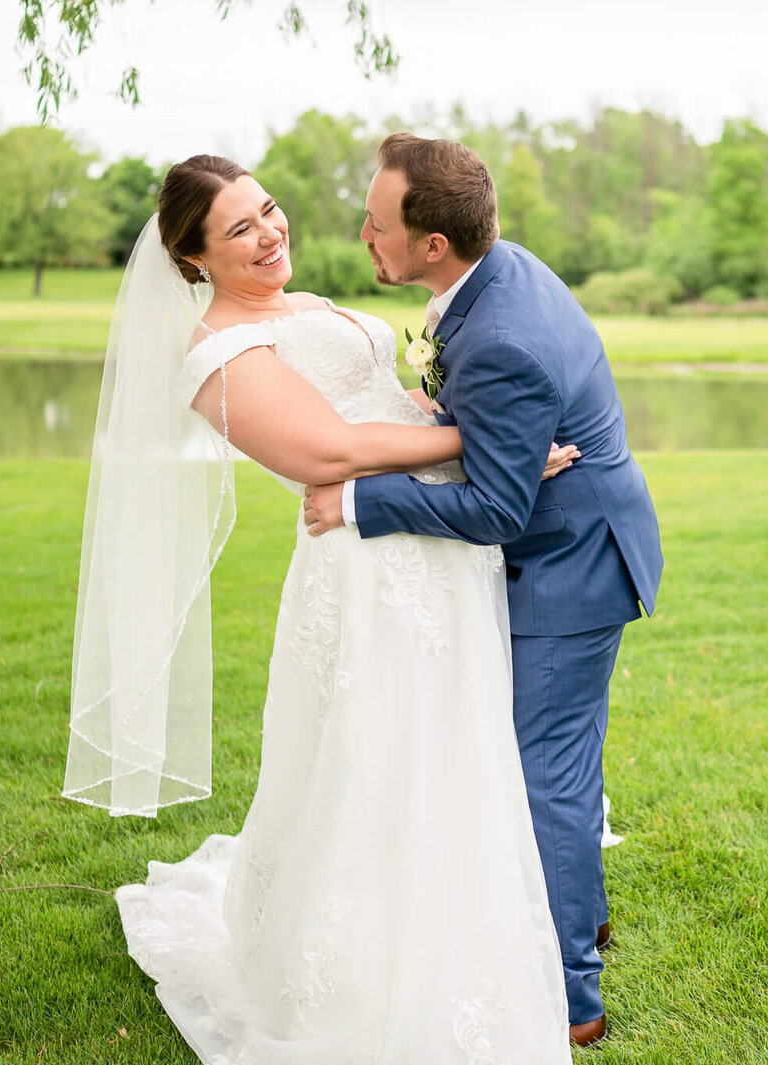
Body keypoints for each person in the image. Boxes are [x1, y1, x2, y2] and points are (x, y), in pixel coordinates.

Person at [63, 154, 579, 1062]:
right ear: (194, 260)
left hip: (432, 541)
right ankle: (353, 972)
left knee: (449, 746)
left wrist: (453, 428)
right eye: (240, 231)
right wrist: (493, 439)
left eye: (269, 212)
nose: (269, 235)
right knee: (376, 756)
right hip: (365, 568)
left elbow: (389, 402)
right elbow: (328, 449)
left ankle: (463, 917)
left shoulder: (303, 310)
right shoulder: (217, 356)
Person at [301, 134, 664, 1043]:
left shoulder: (501, 334)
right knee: (552, 763)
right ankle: (583, 914)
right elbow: (492, 437)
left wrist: (356, 499)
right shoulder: (493, 274)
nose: (363, 235)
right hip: (574, 539)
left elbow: (500, 509)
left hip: (569, 566)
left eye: (378, 226)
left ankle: (573, 996)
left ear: (433, 244)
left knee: (547, 777)